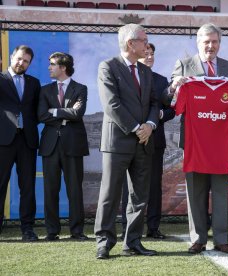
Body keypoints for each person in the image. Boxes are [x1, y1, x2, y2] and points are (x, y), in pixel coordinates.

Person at [169, 23, 228, 254]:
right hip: (194, 142)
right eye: (206, 42)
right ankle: (198, 238)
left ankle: (222, 239)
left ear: (219, 44)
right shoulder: (184, 65)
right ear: (198, 43)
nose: (211, 46)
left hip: (221, 143)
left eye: (215, 42)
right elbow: (170, 99)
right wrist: (175, 85)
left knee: (221, 192)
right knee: (196, 192)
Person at [94, 23, 159, 259]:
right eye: (144, 39)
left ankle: (133, 241)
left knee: (139, 195)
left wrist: (150, 126)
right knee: (110, 193)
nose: (147, 44)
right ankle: (104, 241)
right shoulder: (108, 67)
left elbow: (154, 103)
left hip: (143, 141)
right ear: (131, 43)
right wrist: (136, 129)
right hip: (117, 142)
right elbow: (111, 104)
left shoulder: (146, 72)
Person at [120, 43, 175, 240]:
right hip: (129, 138)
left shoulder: (161, 81)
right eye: (147, 53)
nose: (150, 56)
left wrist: (159, 115)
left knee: (154, 186)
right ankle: (128, 227)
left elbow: (171, 109)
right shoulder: (126, 77)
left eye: (153, 53)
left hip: (155, 141)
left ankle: (153, 227)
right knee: (129, 186)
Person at [38, 52, 89, 241]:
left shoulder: (80, 88)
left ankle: (77, 231)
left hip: (73, 145)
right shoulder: (44, 90)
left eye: (52, 64)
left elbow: (78, 113)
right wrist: (66, 113)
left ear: (63, 67)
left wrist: (56, 111)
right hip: (50, 145)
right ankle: (52, 231)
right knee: (50, 189)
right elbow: (41, 115)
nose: (49, 68)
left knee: (74, 189)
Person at [0, 45, 41, 241]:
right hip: (3, 141)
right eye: (18, 59)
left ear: (29, 63)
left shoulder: (34, 83)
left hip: (27, 141)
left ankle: (27, 228)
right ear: (11, 57)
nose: (21, 63)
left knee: (28, 186)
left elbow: (37, 111)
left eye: (25, 61)